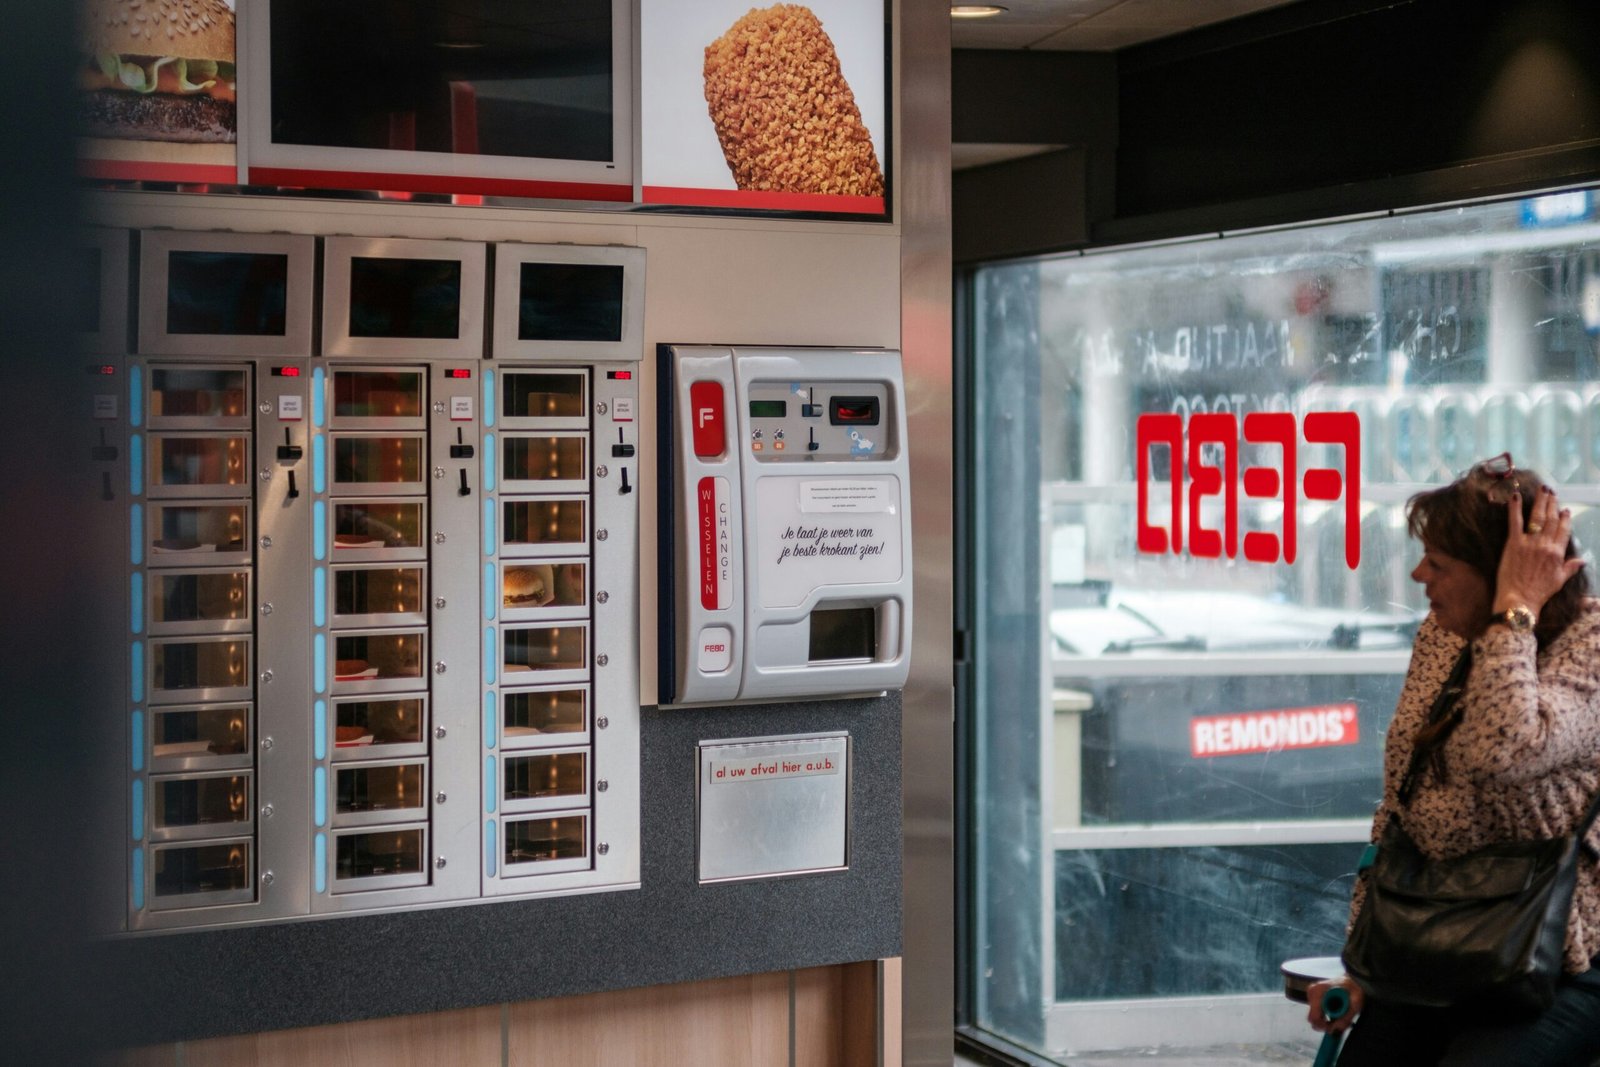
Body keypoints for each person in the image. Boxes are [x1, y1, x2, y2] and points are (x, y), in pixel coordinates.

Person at [1305, 454, 1600, 1065]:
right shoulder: (1443, 637)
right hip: (1436, 941)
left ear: (1499, 575)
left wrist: (1514, 613)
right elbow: (1401, 807)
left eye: (1438, 563)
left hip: (1553, 960)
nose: (1418, 576)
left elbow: (1501, 750)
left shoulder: (1590, 650)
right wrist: (1364, 964)